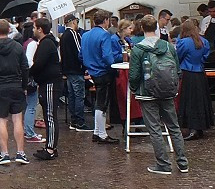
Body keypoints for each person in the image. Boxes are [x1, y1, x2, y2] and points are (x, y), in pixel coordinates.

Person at [129, 15, 188, 175]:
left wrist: (134, 88)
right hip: (167, 92)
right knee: (174, 127)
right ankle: (182, 163)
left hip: (146, 92)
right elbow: (177, 69)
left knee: (155, 129)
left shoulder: (138, 49)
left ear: (142, 28)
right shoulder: (168, 46)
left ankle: (163, 164)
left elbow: (134, 74)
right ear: (156, 27)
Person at [0, 19, 31, 165]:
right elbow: (25, 67)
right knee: (17, 120)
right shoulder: (17, 47)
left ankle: (4, 154)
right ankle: (20, 153)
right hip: (15, 85)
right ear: (9, 30)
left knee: (1, 120)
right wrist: (24, 85)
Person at [84, 10, 121, 144]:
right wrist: (113, 65)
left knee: (99, 101)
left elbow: (81, 55)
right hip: (103, 71)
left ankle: (96, 131)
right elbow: (107, 56)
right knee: (102, 103)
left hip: (92, 70)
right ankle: (102, 134)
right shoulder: (104, 35)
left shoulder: (85, 35)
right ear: (105, 20)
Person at [29, 19, 61, 161]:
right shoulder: (47, 43)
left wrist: (30, 72)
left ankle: (51, 148)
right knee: (49, 116)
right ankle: (51, 146)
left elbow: (39, 63)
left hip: (50, 83)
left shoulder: (46, 43)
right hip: (47, 82)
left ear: (40, 29)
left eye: (35, 27)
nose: (33, 30)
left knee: (50, 116)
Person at [175, 19, 212, 140]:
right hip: (200, 73)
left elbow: (178, 57)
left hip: (188, 73)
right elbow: (206, 56)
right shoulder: (204, 41)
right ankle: (200, 128)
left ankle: (192, 128)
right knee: (200, 101)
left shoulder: (183, 42)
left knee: (190, 102)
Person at [59, 15, 89, 131]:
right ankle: (80, 122)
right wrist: (84, 66)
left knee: (72, 95)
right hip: (76, 69)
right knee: (79, 96)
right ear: (72, 22)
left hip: (68, 70)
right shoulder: (73, 34)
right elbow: (80, 52)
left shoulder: (63, 37)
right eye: (76, 21)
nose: (77, 23)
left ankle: (74, 120)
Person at [21, 23, 46, 146]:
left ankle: (29, 131)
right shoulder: (32, 44)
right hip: (31, 78)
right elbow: (29, 61)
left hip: (27, 78)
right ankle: (30, 133)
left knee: (29, 106)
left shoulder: (25, 43)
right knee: (31, 106)